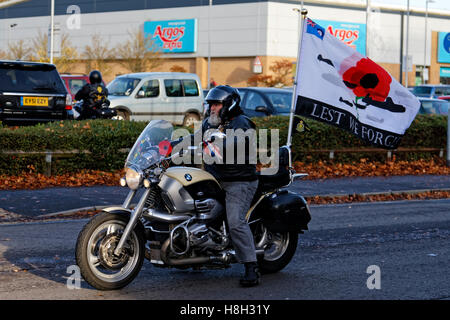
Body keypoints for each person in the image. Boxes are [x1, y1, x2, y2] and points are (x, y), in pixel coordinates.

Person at [202, 85, 260, 287]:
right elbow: (195, 139)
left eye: (216, 104)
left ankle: (251, 267)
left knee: (235, 221)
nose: (212, 108)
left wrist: (208, 148)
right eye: (210, 104)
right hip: (215, 178)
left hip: (239, 181)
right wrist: (169, 145)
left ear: (229, 104)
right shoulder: (210, 123)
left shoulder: (242, 124)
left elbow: (224, 147)